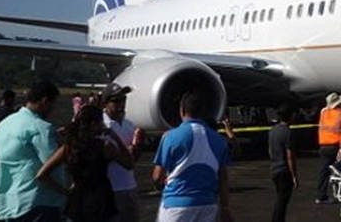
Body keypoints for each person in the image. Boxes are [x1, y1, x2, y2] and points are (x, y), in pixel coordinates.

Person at [36, 105, 133, 222]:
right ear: (93, 124)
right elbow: (128, 164)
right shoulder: (105, 146)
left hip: (77, 202)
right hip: (102, 202)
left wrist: (65, 191)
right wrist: (116, 138)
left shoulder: (69, 148)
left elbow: (41, 175)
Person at [152, 92, 233, 222]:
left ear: (182, 111)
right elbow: (223, 178)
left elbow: (157, 176)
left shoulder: (170, 137)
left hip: (176, 205)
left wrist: (161, 182)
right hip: (207, 204)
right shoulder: (219, 140)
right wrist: (225, 207)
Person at [0, 80, 68, 222]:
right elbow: (52, 161)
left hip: (8, 203)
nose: (52, 110)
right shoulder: (40, 127)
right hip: (38, 202)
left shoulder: (4, 124)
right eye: (52, 105)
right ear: (45, 101)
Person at [101, 83, 144, 222]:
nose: (121, 104)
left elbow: (133, 160)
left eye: (123, 100)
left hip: (129, 185)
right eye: (116, 100)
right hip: (110, 188)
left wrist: (137, 148)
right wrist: (124, 151)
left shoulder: (129, 125)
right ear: (105, 103)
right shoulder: (101, 125)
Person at [269, 104, 299, 222]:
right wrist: (294, 175)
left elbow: (270, 150)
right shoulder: (288, 132)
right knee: (282, 200)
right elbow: (290, 156)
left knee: (280, 197)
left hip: (274, 167)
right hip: (284, 170)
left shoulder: (272, 131)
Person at [316, 93, 341, 204]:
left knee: (323, 171)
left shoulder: (323, 112)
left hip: (323, 145)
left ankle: (320, 195)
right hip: (335, 146)